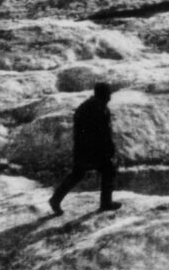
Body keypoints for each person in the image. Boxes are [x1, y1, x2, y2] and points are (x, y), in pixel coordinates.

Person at [49, 82, 121, 215]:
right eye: (108, 93)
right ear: (102, 94)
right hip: (92, 149)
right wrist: (108, 149)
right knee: (107, 170)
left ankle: (55, 199)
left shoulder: (91, 106)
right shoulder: (97, 108)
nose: (110, 96)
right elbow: (101, 133)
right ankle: (106, 203)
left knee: (79, 173)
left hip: (85, 149)